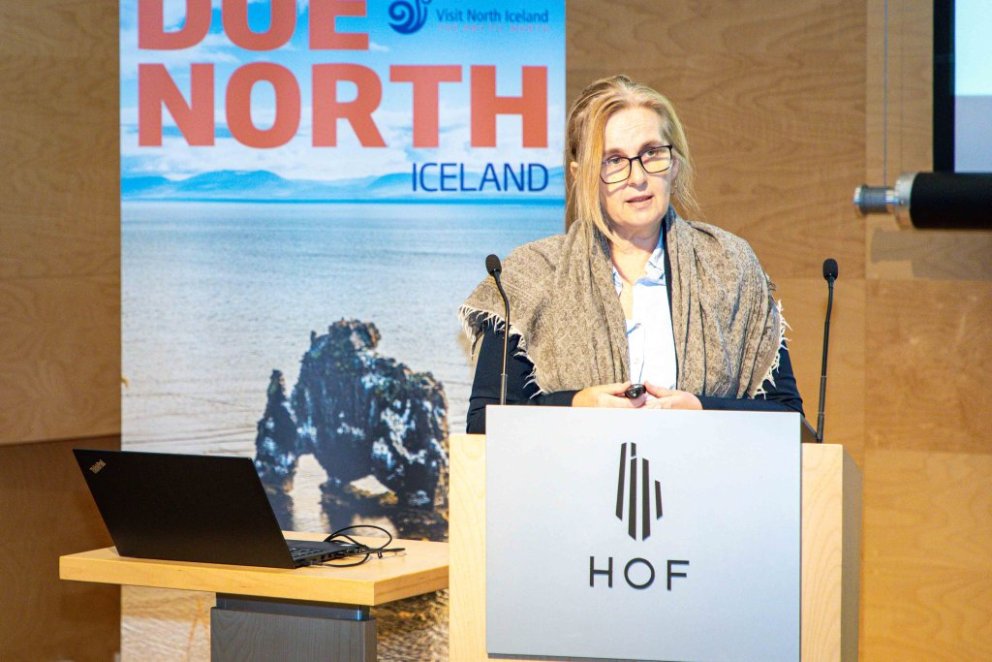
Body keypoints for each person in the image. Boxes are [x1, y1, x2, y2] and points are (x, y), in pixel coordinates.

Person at [459, 75, 803, 434]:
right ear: (581, 175)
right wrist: (575, 405)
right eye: (614, 160)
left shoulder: (730, 265)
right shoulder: (532, 275)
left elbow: (788, 419)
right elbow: (484, 425)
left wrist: (702, 409)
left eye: (652, 153)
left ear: (674, 163)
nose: (637, 177)